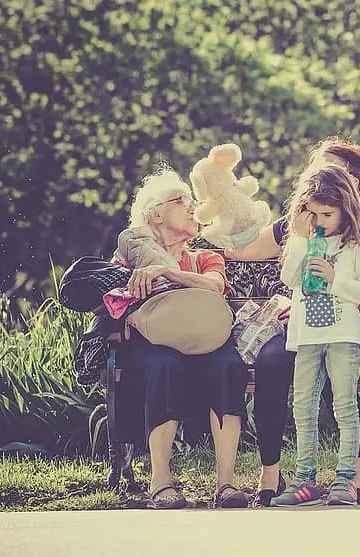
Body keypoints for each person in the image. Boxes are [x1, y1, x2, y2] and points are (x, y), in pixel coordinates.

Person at [226, 138, 360, 506]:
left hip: (353, 328)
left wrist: (333, 280)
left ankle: (357, 470)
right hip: (307, 329)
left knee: (335, 378)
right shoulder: (299, 226)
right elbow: (244, 252)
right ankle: (277, 473)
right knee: (271, 363)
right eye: (315, 171)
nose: (322, 178)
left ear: (352, 186)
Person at [117, 166, 250, 509]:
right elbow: (110, 297)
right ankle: (161, 484)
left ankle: (226, 484)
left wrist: (166, 272)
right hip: (155, 346)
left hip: (206, 341)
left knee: (229, 365)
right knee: (164, 364)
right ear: (155, 213)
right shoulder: (131, 254)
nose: (193, 207)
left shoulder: (204, 256)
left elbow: (216, 285)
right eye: (182, 201)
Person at [270, 163, 360, 506]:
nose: (319, 221)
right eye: (312, 213)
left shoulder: (358, 245)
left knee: (343, 405)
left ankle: (346, 478)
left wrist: (335, 279)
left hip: (344, 336)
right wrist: (300, 240)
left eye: (327, 214)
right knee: (303, 407)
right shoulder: (302, 240)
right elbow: (289, 278)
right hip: (305, 337)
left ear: (345, 209)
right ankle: (305, 479)